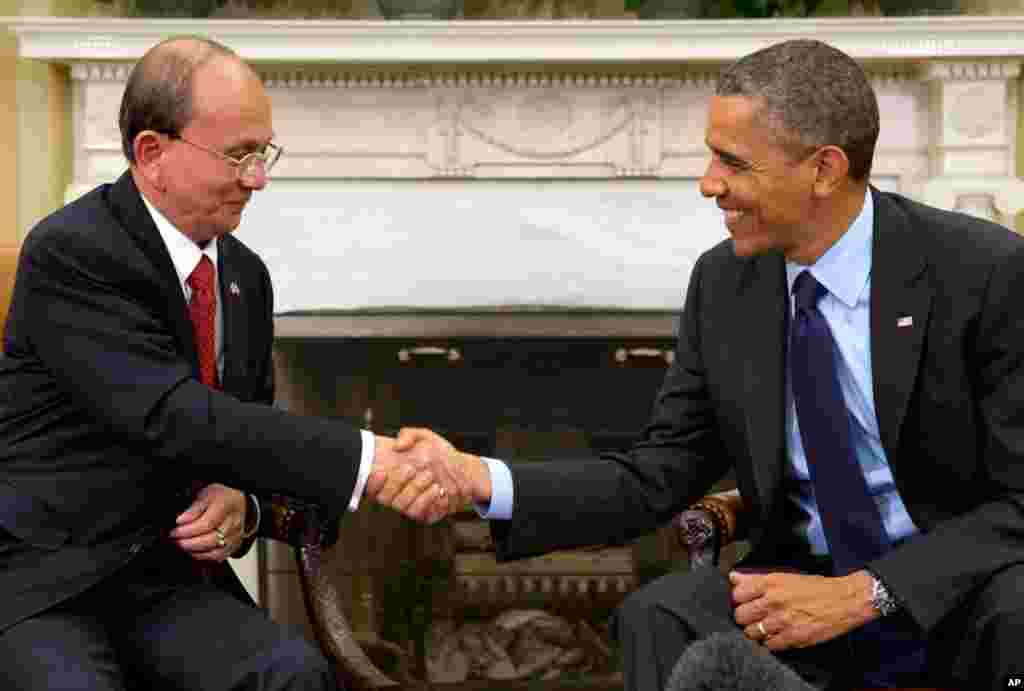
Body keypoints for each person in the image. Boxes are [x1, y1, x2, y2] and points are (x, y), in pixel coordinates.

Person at [378, 39, 1024, 691]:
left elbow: (1018, 502)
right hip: (796, 593)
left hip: (953, 598)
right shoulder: (725, 284)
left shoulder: (981, 272)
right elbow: (654, 474)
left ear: (824, 169)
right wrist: (478, 479)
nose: (708, 183)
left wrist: (868, 592)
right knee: (659, 614)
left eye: (732, 162)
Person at [0, 36, 453, 690]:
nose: (258, 178)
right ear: (153, 153)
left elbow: (251, 438)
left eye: (262, 152)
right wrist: (366, 458)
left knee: (294, 675)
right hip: (50, 582)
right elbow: (176, 415)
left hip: (166, 585)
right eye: (238, 154)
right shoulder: (74, 253)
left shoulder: (244, 277)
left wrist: (247, 503)